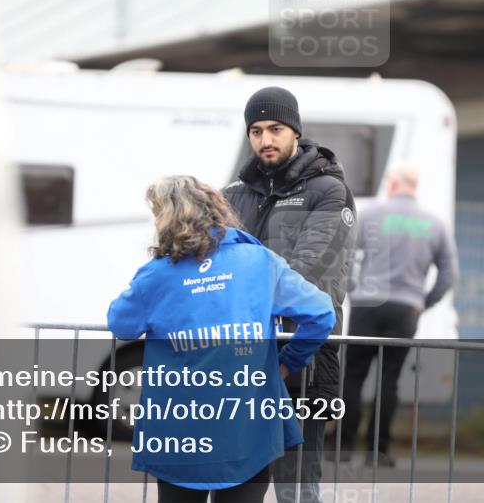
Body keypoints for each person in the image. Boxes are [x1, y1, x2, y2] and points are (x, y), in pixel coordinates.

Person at [107, 175, 335, 503]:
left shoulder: (158, 275)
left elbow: (121, 324)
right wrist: (287, 363)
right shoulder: (260, 262)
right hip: (249, 426)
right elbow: (321, 314)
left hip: (180, 429)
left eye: (157, 213)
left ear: (170, 217)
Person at [223, 86, 356, 503]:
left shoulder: (329, 190)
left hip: (303, 357)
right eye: (257, 130)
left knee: (295, 485)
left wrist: (232, 291)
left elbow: (309, 275)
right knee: (236, 480)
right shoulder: (232, 195)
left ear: (295, 131)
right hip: (240, 358)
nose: (265, 139)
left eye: (275, 128)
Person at [339, 165, 459, 467]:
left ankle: (342, 448)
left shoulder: (370, 213)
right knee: (389, 380)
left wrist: (354, 289)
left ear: (393, 183)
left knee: (353, 376)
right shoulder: (435, 223)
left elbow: (345, 255)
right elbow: (449, 273)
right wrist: (423, 302)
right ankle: (377, 452)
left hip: (368, 304)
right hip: (406, 309)